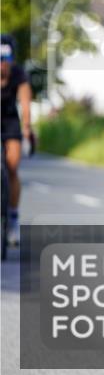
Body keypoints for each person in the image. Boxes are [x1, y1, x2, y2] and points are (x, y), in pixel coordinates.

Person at [1, 34, 32, 247]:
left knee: (12, 167)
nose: (2, 64)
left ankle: (12, 218)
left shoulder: (19, 74)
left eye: (6, 59)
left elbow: (25, 104)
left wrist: (27, 129)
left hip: (11, 120)